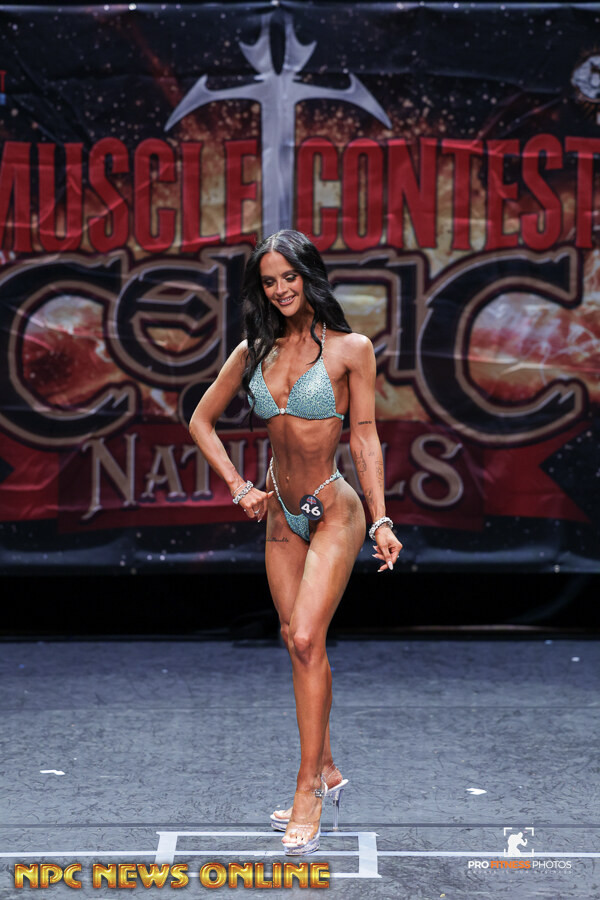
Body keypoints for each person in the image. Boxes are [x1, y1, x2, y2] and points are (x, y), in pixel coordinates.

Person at [189, 229, 402, 855]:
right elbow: (200, 420)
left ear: (310, 275)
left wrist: (382, 521)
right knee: (296, 642)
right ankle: (327, 766)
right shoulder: (253, 351)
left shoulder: (350, 349)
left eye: (289, 276)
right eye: (269, 281)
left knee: (307, 638)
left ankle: (308, 788)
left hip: (334, 509)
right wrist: (239, 487)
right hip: (282, 512)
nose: (281, 289)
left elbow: (365, 437)